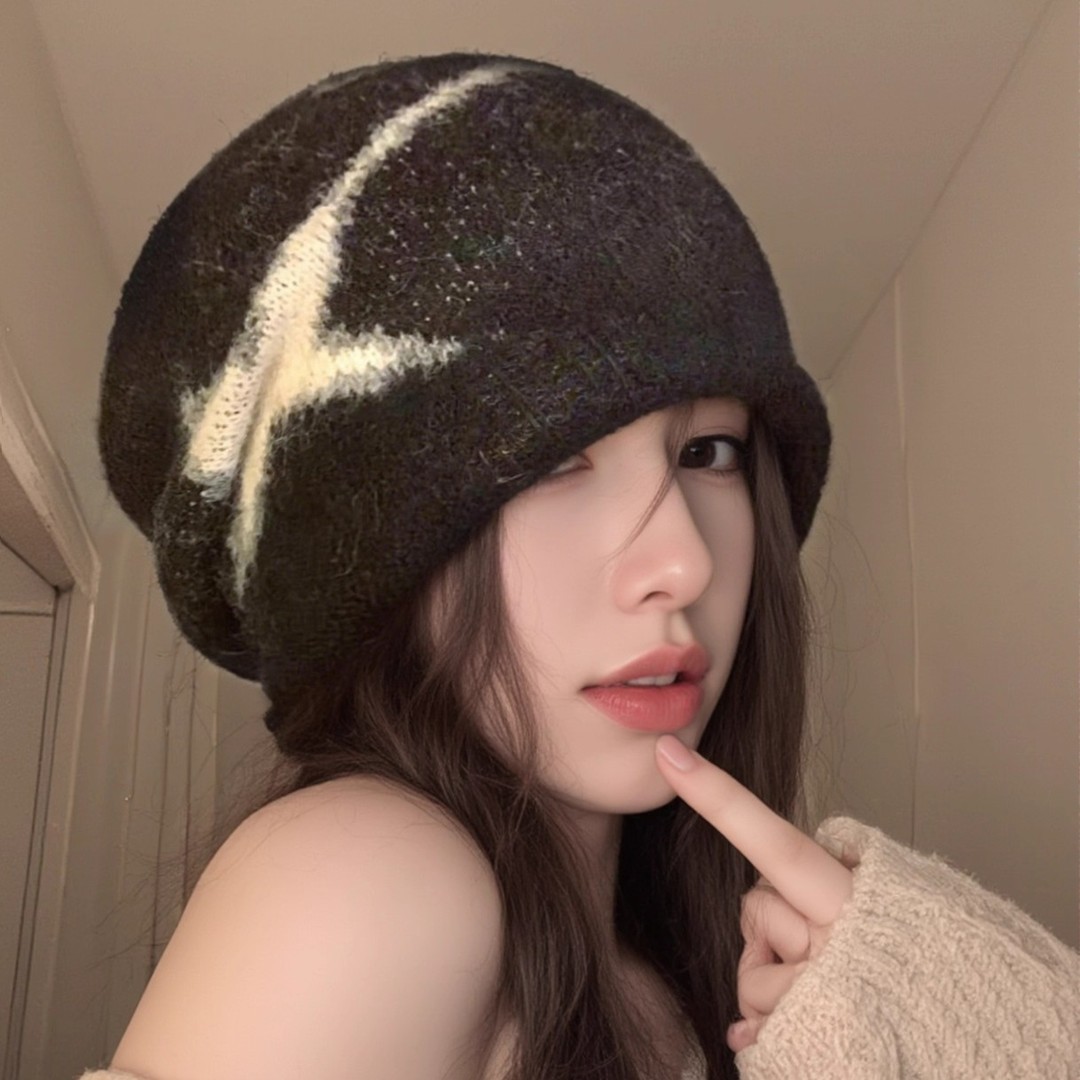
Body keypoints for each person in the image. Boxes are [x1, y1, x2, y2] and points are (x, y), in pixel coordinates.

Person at [82, 52, 1078, 1080]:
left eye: (710, 452)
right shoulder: (362, 875)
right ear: (363, 565)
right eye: (554, 462)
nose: (683, 563)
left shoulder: (682, 956)